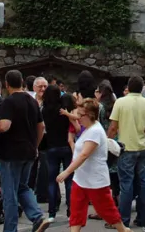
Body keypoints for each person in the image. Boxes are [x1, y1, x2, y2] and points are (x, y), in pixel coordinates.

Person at [57, 98, 132, 232]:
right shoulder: (90, 128)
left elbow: (84, 155)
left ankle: (124, 230)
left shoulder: (95, 131)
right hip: (81, 178)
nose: (78, 117)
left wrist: (66, 172)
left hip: (95, 180)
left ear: (90, 115)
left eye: (81, 115)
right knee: (76, 210)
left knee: (107, 211)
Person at [0, 70, 51, 232]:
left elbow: (5, 125)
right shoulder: (32, 101)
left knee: (10, 193)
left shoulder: (9, 101)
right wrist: (35, 145)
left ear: (6, 84)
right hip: (29, 150)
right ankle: (37, 216)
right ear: (22, 82)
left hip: (11, 152)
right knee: (23, 187)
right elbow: (41, 126)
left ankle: (10, 229)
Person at [110, 75, 145, 228]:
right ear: (142, 88)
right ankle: (143, 218)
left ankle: (123, 220)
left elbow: (113, 127)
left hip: (126, 147)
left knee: (126, 184)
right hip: (143, 147)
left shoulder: (120, 102)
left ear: (128, 86)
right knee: (143, 183)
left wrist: (108, 141)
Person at [42, 81, 76, 221]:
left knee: (52, 180)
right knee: (69, 180)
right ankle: (70, 210)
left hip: (51, 146)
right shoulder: (63, 109)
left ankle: (51, 212)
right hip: (66, 145)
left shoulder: (44, 110)